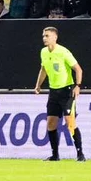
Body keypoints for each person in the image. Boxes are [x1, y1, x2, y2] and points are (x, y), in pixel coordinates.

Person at [33, 25, 85, 162]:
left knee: (70, 122)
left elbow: (78, 69)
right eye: (43, 36)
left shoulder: (63, 52)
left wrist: (77, 86)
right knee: (50, 123)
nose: (44, 38)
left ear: (55, 37)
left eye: (47, 36)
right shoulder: (43, 52)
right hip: (53, 91)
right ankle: (55, 155)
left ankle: (80, 154)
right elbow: (43, 69)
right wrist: (38, 85)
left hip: (66, 91)